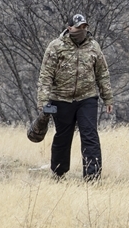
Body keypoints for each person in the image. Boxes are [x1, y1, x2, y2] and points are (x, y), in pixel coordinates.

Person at [36, 13, 113, 180]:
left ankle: (92, 177)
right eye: (78, 27)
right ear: (69, 28)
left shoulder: (94, 47)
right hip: (61, 99)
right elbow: (46, 75)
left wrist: (108, 98)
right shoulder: (56, 47)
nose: (82, 30)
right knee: (63, 137)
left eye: (84, 27)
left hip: (87, 98)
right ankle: (59, 173)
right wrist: (42, 101)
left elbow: (102, 73)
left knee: (90, 136)